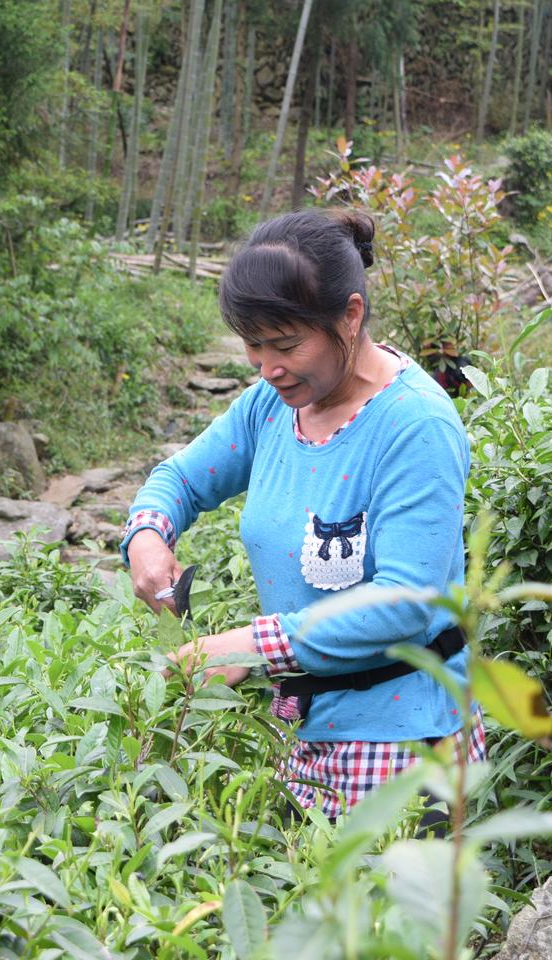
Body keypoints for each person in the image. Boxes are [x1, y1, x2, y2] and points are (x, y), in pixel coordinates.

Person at [120, 208, 486, 821]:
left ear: (350, 316)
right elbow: (180, 478)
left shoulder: (415, 427)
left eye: (286, 345)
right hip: (300, 724)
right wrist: (148, 534)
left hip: (402, 742)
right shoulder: (272, 404)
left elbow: (405, 603)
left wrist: (245, 647)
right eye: (254, 346)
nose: (268, 368)